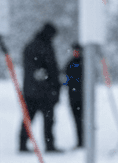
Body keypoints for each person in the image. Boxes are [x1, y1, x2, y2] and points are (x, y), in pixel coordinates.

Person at [19, 22, 61, 152]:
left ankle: (23, 143)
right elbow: (46, 70)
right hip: (43, 91)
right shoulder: (42, 46)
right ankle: (49, 145)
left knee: (29, 118)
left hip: (32, 90)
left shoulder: (32, 45)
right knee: (47, 120)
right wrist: (52, 86)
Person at [65, 43, 83, 148]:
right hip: (73, 96)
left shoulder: (85, 63)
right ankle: (80, 141)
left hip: (82, 97)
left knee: (82, 120)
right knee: (77, 120)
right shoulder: (70, 63)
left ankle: (83, 141)